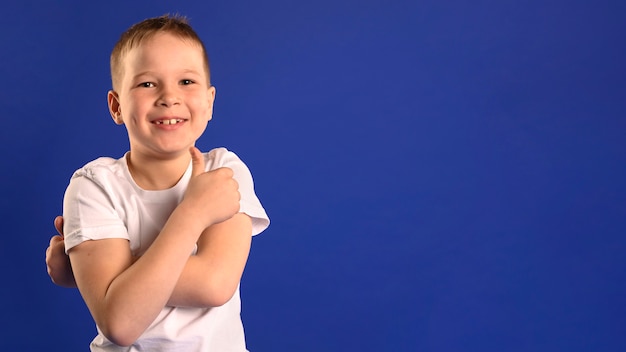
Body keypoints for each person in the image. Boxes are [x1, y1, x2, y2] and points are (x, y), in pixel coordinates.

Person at [44, 14, 269, 351]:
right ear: (117, 106)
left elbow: (214, 283)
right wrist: (193, 213)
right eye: (147, 83)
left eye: (186, 82)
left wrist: (105, 277)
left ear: (209, 102)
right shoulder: (93, 185)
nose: (169, 96)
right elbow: (120, 323)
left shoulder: (224, 172)